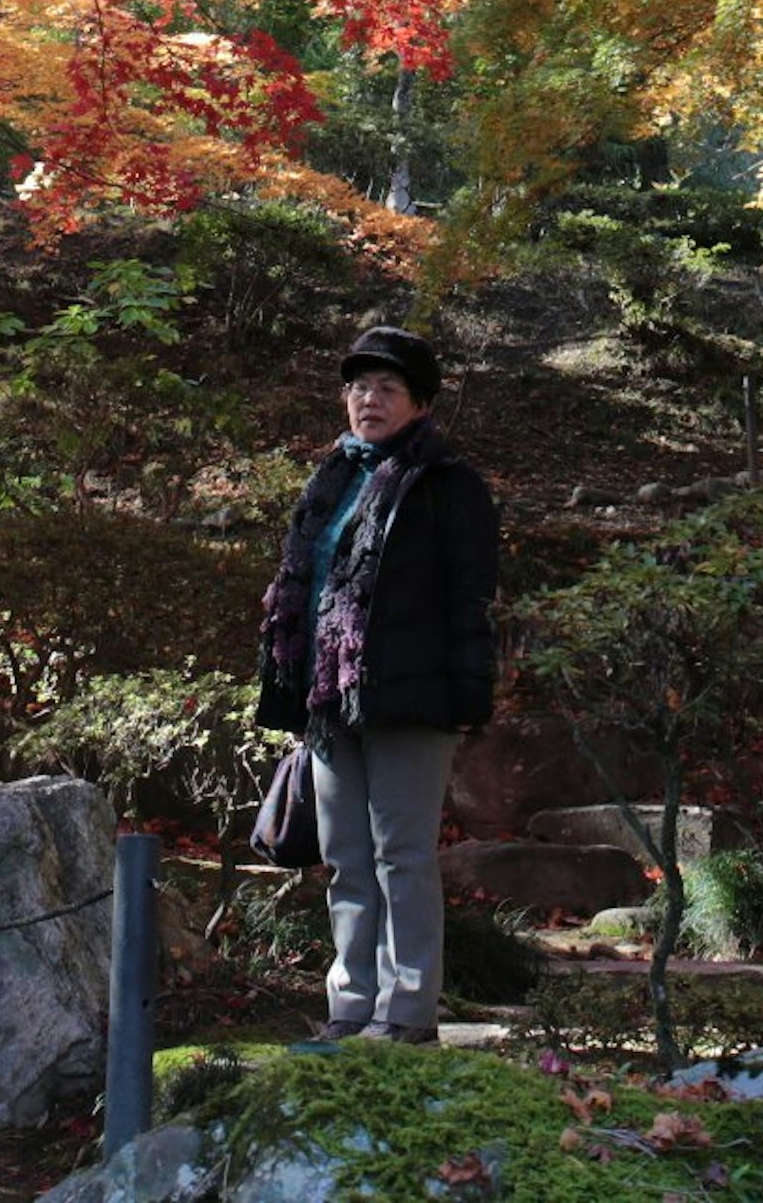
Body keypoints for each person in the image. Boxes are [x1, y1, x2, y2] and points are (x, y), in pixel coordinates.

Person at [255, 322, 501, 1043]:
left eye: (387, 387)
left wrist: (467, 697)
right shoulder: (332, 476)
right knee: (345, 857)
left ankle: (408, 1009)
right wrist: (290, 687)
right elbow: (302, 591)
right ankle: (349, 1003)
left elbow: (472, 600)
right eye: (359, 386)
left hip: (413, 700)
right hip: (332, 699)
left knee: (402, 854)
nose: (369, 399)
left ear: (420, 401)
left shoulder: (448, 484)